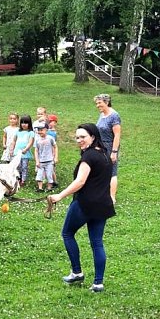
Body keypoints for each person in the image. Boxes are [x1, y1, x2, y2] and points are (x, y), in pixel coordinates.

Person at [48, 123, 115, 292]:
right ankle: (98, 283)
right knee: (97, 243)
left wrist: (59, 195)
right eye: (77, 137)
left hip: (85, 204)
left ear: (93, 136)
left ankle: (77, 272)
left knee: (67, 233)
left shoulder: (89, 157)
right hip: (102, 205)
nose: (79, 140)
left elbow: (80, 182)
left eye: (83, 137)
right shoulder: (105, 154)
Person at [94, 93, 121, 203]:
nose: (97, 105)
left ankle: (112, 197)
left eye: (99, 103)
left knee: (112, 172)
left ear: (107, 102)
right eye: (96, 103)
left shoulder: (114, 115)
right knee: (102, 170)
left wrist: (114, 152)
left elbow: (117, 135)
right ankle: (103, 193)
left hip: (110, 146)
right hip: (100, 146)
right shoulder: (102, 114)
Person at [10, 115, 35, 187]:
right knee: (18, 166)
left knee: (24, 166)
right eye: (22, 123)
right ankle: (18, 178)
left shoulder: (31, 133)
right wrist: (12, 149)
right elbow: (14, 141)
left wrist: (26, 149)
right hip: (17, 152)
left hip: (25, 153)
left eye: (26, 123)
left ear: (29, 124)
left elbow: (30, 142)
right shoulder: (18, 131)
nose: (24, 124)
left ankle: (23, 180)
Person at [33, 124, 58, 192]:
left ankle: (49, 187)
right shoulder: (37, 140)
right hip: (41, 161)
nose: (40, 132)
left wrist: (55, 157)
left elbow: (55, 147)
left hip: (49, 161)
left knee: (49, 174)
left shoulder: (50, 138)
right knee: (39, 175)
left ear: (46, 130)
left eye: (41, 130)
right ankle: (40, 188)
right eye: (38, 130)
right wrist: (37, 161)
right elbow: (36, 150)